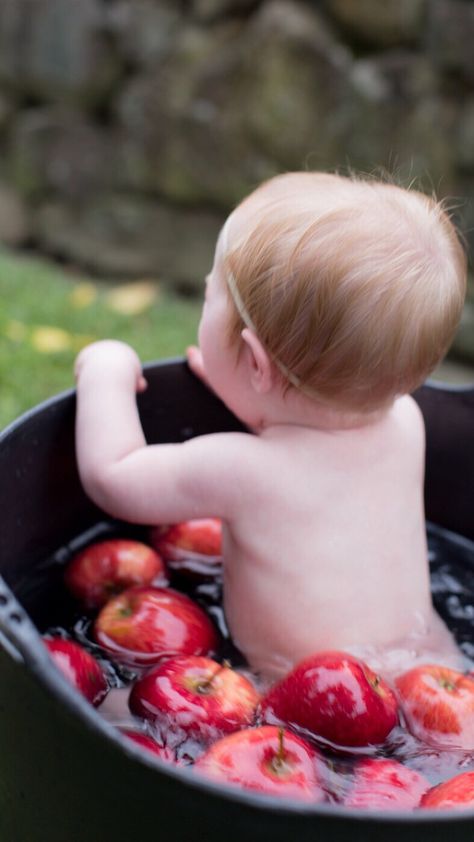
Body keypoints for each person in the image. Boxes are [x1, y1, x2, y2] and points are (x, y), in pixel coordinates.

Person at [74, 171, 467, 680]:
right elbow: (312, 427)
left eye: (209, 293)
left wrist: (106, 369)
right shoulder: (407, 424)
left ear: (257, 365)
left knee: (114, 709)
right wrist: (240, 383)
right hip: (437, 666)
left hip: (293, 696)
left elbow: (114, 476)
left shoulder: (244, 469)